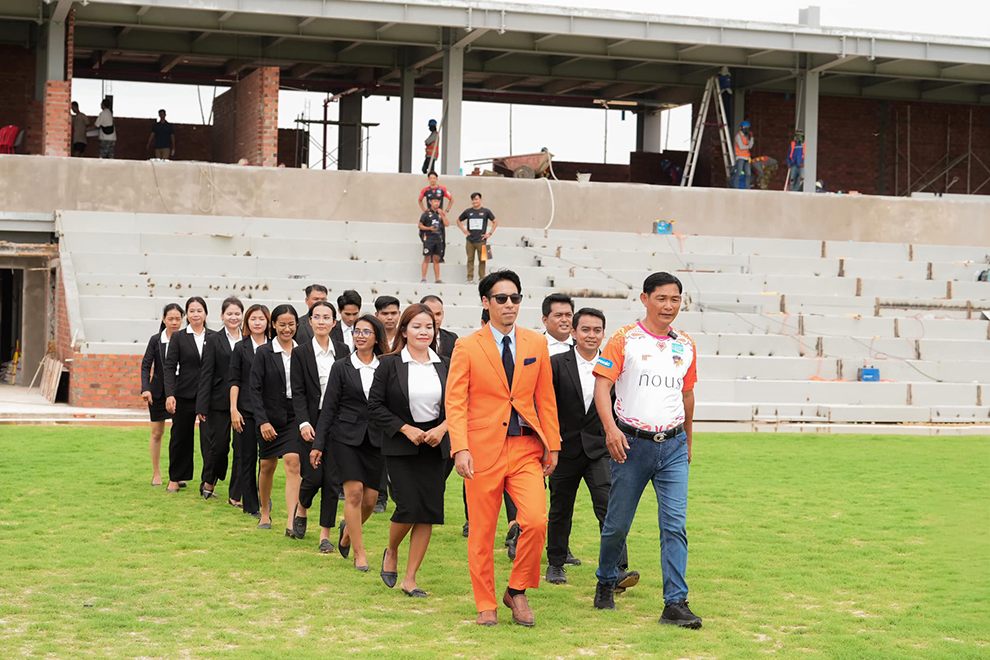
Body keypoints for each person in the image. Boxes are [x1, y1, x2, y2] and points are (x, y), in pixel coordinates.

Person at [447, 269, 561, 628]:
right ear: (486, 302)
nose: (509, 304)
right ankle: (485, 603)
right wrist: (460, 448)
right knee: (481, 532)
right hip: (481, 451)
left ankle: (517, 589)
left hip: (527, 448)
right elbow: (456, 403)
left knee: (535, 521)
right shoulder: (467, 346)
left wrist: (553, 445)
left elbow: (546, 397)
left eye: (515, 298)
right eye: (501, 298)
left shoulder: (535, 344)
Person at [592, 272, 701, 629]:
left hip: (672, 447)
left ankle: (675, 603)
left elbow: (687, 396)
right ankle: (606, 580)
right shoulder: (624, 339)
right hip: (630, 444)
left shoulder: (685, 344)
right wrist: (610, 430)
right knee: (617, 524)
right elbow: (602, 387)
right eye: (661, 298)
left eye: (675, 299)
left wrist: (687, 439)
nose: (668, 306)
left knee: (674, 526)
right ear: (644, 299)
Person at [546, 308, 638, 591]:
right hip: (563, 449)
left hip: (600, 449)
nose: (591, 335)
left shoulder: (614, 365)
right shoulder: (555, 363)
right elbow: (545, 405)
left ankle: (618, 569)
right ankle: (555, 563)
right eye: (585, 329)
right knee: (560, 508)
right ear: (573, 332)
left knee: (610, 509)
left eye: (597, 330)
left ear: (603, 334)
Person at [369, 304, 450, 596]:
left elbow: (459, 405)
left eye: (428, 326)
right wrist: (406, 429)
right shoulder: (389, 364)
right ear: (404, 330)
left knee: (427, 512)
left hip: (435, 447)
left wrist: (441, 430)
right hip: (401, 445)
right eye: (417, 326)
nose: (423, 332)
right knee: (407, 507)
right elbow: (375, 406)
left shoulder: (445, 363)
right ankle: (391, 550)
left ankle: (410, 578)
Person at [313, 315, 388, 562]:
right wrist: (318, 445)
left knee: (370, 499)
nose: (361, 336)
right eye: (357, 331)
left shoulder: (387, 366)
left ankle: (347, 533)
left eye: (367, 332)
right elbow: (329, 409)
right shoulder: (341, 366)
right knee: (353, 493)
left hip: (376, 440)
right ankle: (359, 552)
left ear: (376, 336)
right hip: (345, 438)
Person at [292, 301, 348, 549]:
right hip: (311, 421)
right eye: (318, 317)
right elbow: (299, 392)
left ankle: (325, 535)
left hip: (337, 421)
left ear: (334, 322)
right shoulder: (300, 352)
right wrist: (303, 422)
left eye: (327, 317)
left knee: (332, 480)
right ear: (310, 321)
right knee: (313, 477)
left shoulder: (344, 350)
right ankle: (302, 507)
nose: (322, 321)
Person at [249, 304, 303, 535]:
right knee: (267, 465)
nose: (287, 329)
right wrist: (262, 421)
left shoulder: (303, 351)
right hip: (269, 416)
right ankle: (264, 511)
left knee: (293, 461)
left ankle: (291, 520)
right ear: (274, 325)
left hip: (294, 415)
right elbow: (254, 389)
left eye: (291, 324)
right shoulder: (263, 352)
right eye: (282, 324)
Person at [196, 297, 243, 504]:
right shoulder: (214, 339)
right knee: (219, 446)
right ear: (222, 316)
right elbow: (206, 373)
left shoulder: (249, 337)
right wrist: (202, 405)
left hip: (244, 401)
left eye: (237, 313)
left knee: (242, 450)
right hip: (218, 402)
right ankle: (209, 481)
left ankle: (236, 494)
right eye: (229, 314)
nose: (234, 317)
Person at [163, 297, 211, 493]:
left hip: (208, 395)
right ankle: (176, 477)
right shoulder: (178, 337)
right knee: (180, 437)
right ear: (186, 315)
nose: (196, 314)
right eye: (191, 311)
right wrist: (170, 394)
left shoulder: (215, 337)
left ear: (205, 313)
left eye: (199, 310)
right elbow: (169, 367)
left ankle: (208, 482)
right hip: (184, 394)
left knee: (210, 440)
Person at [229, 304, 270, 518]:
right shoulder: (240, 347)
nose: (257, 323)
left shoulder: (275, 346)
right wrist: (234, 409)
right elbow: (234, 380)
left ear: (268, 322)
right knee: (246, 458)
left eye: (261, 319)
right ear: (247, 322)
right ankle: (251, 505)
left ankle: (265, 498)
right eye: (253, 319)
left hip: (268, 412)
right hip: (244, 410)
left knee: (267, 460)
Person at [140, 303, 183, 487]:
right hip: (158, 393)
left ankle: (178, 473)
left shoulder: (187, 339)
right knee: (157, 433)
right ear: (164, 319)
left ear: (182, 319)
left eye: (177, 319)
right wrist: (146, 388)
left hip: (181, 392)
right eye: (170, 319)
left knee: (180, 434)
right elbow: (145, 365)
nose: (174, 322)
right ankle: (157, 473)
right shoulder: (155, 340)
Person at [372, 295, 401, 514]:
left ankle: (398, 495)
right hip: (378, 402)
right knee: (379, 451)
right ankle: (380, 496)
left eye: (393, 313)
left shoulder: (404, 338)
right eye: (385, 313)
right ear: (377, 316)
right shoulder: (372, 339)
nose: (390, 318)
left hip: (401, 403)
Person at [457, 192, 498, 284]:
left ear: (480, 200)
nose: (475, 201)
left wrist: (489, 233)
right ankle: (470, 278)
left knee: (482, 260)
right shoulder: (468, 211)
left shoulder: (486, 211)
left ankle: (482, 278)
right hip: (470, 240)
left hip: (481, 240)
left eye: (476, 199)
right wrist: (464, 230)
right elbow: (458, 220)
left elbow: (495, 222)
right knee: (470, 259)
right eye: (473, 199)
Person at [418, 196, 448, 284]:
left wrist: (442, 214)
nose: (437, 203)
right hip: (428, 239)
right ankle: (423, 278)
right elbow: (420, 225)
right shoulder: (426, 213)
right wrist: (429, 228)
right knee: (427, 258)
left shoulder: (440, 214)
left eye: (438, 201)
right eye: (435, 201)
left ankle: (437, 279)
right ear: (430, 202)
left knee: (436, 259)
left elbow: (447, 224)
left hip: (438, 239)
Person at [420, 295, 458, 359]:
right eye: (430, 314)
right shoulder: (412, 338)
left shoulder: (452, 339)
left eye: (438, 314)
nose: (434, 318)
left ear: (443, 314)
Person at [732, 120, 753, 189]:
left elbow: (751, 145)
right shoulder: (738, 136)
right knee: (739, 172)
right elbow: (741, 147)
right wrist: (748, 146)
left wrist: (751, 138)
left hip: (746, 158)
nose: (747, 129)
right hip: (740, 157)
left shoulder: (746, 137)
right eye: (746, 128)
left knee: (748, 174)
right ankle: (736, 187)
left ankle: (747, 188)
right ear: (742, 128)